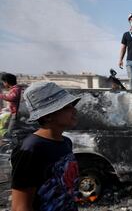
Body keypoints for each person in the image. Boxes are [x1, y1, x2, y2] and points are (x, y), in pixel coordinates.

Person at [11, 82, 80, 211]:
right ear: (48, 115)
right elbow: (20, 206)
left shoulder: (66, 142)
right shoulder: (30, 149)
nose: (74, 110)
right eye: (67, 107)